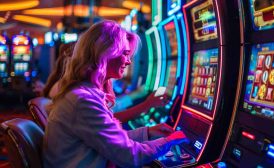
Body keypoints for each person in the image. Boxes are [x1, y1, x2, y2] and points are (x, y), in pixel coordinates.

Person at [43, 20, 188, 168]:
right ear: (105, 53)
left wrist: (148, 132)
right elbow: (129, 155)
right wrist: (170, 141)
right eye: (125, 54)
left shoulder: (83, 93)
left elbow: (109, 139)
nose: (129, 62)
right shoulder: (82, 100)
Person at [40, 35, 167, 123]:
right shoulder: (79, 95)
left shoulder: (72, 85)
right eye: (123, 54)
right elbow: (111, 124)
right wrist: (145, 103)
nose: (128, 62)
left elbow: (107, 119)